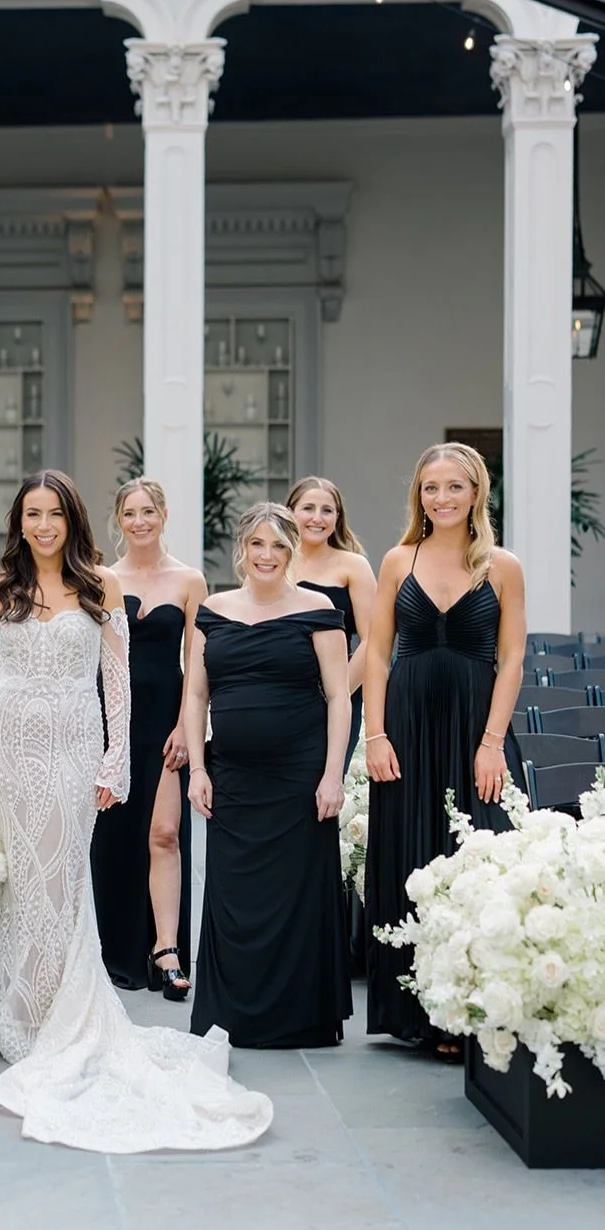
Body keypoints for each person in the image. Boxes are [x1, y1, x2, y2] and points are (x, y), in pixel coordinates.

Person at [0, 470, 273, 1153]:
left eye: (54, 514)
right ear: (18, 522)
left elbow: (117, 683)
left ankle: (60, 1017)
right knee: (23, 881)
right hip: (8, 747)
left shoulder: (101, 587)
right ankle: (20, 1012)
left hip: (73, 746)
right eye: (32, 514)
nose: (43, 526)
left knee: (62, 879)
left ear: (72, 520)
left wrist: (116, 760)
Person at [363, 443, 526, 1059]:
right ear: (419, 496)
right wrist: (375, 735)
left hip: (476, 727)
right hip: (405, 727)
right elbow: (377, 654)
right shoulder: (396, 560)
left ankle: (472, 1014)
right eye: (431, 487)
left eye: (454, 486)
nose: (442, 498)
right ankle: (416, 1012)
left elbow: (511, 658)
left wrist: (491, 743)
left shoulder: (502, 566)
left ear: (476, 492)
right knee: (409, 855)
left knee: (475, 859)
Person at [187, 502, 352, 1049]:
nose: (267, 555)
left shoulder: (318, 608)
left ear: (293, 550)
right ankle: (233, 1015)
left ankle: (298, 1019)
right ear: (242, 548)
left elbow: (338, 696)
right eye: (257, 544)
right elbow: (196, 695)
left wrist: (333, 775)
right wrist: (198, 768)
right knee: (234, 894)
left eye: (279, 545)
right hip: (232, 776)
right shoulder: (213, 610)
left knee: (297, 897)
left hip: (299, 777)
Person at [91, 478, 206, 997]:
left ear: (163, 516)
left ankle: (166, 950)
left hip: (166, 718)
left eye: (148, 512)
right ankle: (112, 950)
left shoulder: (189, 580)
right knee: (112, 837)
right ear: (119, 521)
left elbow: (197, 663)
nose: (139, 522)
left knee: (164, 833)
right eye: (130, 514)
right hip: (109, 718)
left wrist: (186, 725)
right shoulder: (101, 579)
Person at [287, 476, 376, 770]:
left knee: (325, 782)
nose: (317, 518)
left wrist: (336, 695)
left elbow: (373, 640)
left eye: (327, 510)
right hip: (280, 693)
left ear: (337, 518)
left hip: (338, 692)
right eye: (308, 508)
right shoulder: (273, 562)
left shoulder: (354, 566)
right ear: (290, 512)